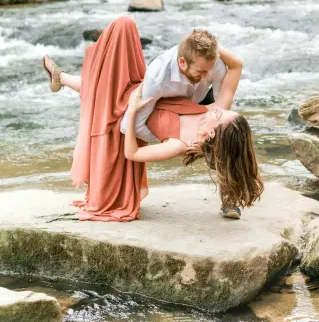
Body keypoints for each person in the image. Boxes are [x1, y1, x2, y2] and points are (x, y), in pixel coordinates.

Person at [42, 16, 263, 222]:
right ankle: (60, 77)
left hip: (131, 109)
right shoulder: (204, 105)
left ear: (215, 130)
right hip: (141, 97)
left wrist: (134, 111)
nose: (220, 110)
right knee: (117, 45)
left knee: (103, 87)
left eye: (220, 115)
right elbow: (236, 67)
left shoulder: (181, 143)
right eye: (222, 112)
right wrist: (205, 46)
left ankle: (60, 77)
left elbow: (133, 150)